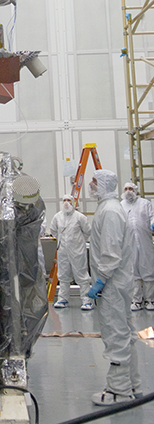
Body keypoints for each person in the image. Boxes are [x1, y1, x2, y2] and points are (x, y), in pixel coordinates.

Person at [87, 170, 141, 406]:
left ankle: (118, 391)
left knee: (115, 334)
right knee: (126, 333)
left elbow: (110, 253)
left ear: (104, 185)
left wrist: (100, 281)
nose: (90, 184)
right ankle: (133, 384)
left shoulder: (109, 211)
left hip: (111, 284)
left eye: (94, 181)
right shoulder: (109, 207)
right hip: (119, 282)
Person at [49, 194, 93, 310]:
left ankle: (86, 300)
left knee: (82, 275)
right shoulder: (57, 217)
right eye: (64, 200)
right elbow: (53, 230)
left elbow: (87, 231)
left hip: (77, 251)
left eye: (69, 200)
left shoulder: (80, 217)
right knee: (63, 275)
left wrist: (79, 243)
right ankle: (63, 299)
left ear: (73, 203)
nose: (66, 202)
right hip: (63, 251)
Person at [120, 181, 154, 311]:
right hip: (129, 244)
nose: (128, 191)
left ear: (135, 190)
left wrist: (153, 223)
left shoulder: (145, 203)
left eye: (131, 189)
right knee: (133, 272)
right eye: (126, 189)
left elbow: (152, 216)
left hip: (145, 242)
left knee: (148, 271)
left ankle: (150, 300)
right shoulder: (121, 205)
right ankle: (136, 300)